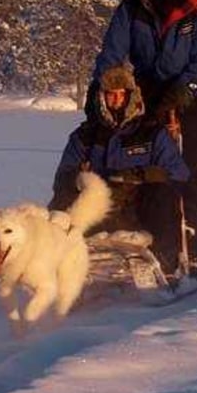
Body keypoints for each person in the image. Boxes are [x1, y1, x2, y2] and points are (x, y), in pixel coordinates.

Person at [86, 0, 197, 285]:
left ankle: (196, 256)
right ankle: (147, 245)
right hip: (144, 95)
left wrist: (184, 91)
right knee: (137, 171)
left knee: (188, 175)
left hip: (188, 96)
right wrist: (100, 87)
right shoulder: (133, 5)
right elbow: (112, 52)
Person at [53, 63, 189, 279]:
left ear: (130, 96)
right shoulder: (85, 136)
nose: (116, 100)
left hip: (140, 204)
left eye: (121, 95)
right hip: (98, 204)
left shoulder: (152, 132)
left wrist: (139, 175)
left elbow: (178, 172)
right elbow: (63, 175)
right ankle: (55, 266)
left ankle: (166, 268)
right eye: (110, 95)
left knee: (164, 194)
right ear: (102, 97)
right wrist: (82, 180)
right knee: (63, 198)